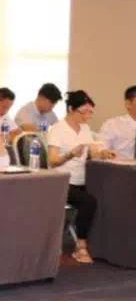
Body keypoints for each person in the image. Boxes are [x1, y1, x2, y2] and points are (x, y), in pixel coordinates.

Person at [47, 90, 116, 264]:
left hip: (81, 180)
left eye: (90, 113)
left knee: (106, 195)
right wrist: (70, 154)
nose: (87, 116)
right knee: (88, 201)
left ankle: (103, 244)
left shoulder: (85, 129)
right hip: (62, 181)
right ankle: (81, 245)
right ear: (71, 109)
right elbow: (52, 161)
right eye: (83, 112)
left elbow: (93, 152)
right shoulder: (57, 129)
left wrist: (103, 153)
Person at [100, 85, 136, 159]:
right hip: (119, 165)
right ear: (128, 104)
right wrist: (104, 153)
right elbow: (101, 151)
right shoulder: (112, 125)